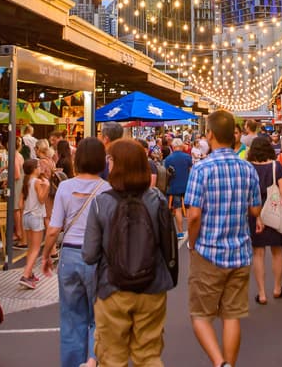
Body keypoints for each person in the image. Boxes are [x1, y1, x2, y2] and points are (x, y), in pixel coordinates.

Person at [83, 139, 176, 366]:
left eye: (110, 159)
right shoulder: (158, 200)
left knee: (112, 357)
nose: (108, 164)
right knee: (149, 356)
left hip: (112, 289)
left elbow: (89, 254)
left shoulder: (100, 203)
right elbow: (169, 247)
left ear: (117, 164)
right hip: (152, 288)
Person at [184, 109, 262, 367]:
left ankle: (219, 363)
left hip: (207, 250)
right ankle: (229, 363)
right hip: (240, 251)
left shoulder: (201, 169)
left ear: (211, 135)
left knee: (200, 315)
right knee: (232, 316)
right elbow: (255, 209)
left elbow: (193, 215)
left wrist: (192, 243)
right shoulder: (247, 168)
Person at [43, 137, 109, 367]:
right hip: (98, 257)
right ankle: (93, 360)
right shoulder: (107, 189)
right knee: (98, 315)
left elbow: (53, 229)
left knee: (71, 317)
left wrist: (45, 255)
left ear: (77, 158)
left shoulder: (65, 187)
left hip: (69, 255)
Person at [247, 136, 282, 304]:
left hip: (255, 212)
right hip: (274, 211)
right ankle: (277, 288)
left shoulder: (248, 167)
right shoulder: (276, 166)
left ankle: (261, 293)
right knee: (277, 251)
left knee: (258, 253)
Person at [19, 159, 50, 289]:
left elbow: (20, 204)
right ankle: (25, 275)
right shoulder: (37, 182)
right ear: (33, 169)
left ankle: (30, 273)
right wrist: (47, 186)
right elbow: (42, 200)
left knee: (30, 248)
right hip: (36, 216)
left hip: (26, 216)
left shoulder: (25, 183)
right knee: (36, 249)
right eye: (38, 166)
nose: (40, 168)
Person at [164, 138, 194, 238]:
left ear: (173, 146)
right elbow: (191, 172)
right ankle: (190, 231)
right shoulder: (187, 157)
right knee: (189, 208)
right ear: (181, 146)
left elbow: (167, 173)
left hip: (174, 186)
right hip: (187, 186)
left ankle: (180, 232)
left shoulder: (168, 159)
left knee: (177, 209)